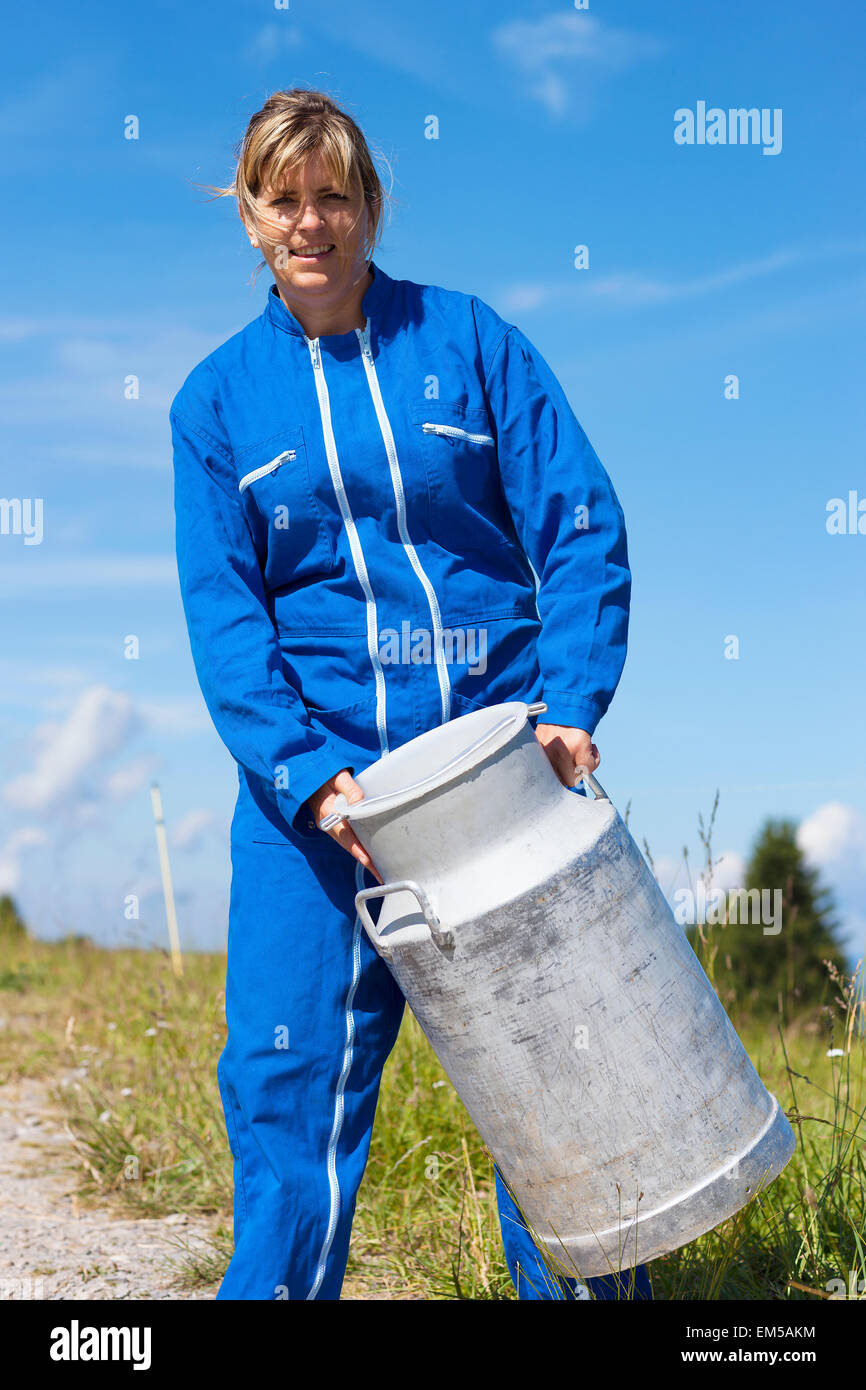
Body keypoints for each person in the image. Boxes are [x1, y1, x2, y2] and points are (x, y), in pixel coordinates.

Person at [170, 87, 649, 1302]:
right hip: (320, 816)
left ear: (370, 206)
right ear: (250, 219)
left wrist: (568, 712)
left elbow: (582, 528)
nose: (311, 222)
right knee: (284, 1095)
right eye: (284, 199)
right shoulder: (212, 406)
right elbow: (227, 625)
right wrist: (310, 782)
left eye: (334, 195)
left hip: (503, 788)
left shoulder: (472, 342)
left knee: (561, 1096)